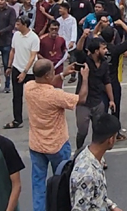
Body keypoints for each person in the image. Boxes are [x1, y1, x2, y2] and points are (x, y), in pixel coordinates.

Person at [24, 59, 79, 211]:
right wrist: (85, 78)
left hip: (36, 144)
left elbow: (45, 85)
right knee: (62, 182)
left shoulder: (28, 88)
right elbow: (81, 99)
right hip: (57, 144)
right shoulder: (56, 95)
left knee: (38, 183)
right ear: (48, 75)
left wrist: (62, 75)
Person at [70, 113, 123, 211]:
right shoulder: (87, 175)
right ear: (111, 140)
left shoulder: (93, 157)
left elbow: (97, 194)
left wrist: (112, 206)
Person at [74, 35, 115, 150]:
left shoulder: (105, 64)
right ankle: (79, 151)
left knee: (98, 131)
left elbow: (107, 82)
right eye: (103, 48)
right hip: (83, 103)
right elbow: (78, 50)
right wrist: (82, 37)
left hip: (98, 102)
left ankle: (97, 153)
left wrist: (111, 100)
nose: (106, 51)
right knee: (82, 131)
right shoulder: (85, 61)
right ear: (96, 51)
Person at [101, 21, 127, 140]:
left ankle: (103, 133)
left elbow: (93, 34)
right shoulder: (116, 49)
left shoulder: (98, 48)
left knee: (102, 109)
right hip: (113, 82)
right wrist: (122, 24)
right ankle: (116, 133)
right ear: (114, 37)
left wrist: (99, 25)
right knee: (115, 108)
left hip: (100, 83)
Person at [4, 16, 40, 129]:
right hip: (16, 67)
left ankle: (37, 119)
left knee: (33, 96)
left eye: (19, 24)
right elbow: (13, 51)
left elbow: (32, 57)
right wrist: (9, 66)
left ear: (25, 25)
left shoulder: (34, 38)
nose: (16, 26)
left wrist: (24, 72)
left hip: (30, 71)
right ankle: (17, 120)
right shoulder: (16, 35)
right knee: (16, 96)